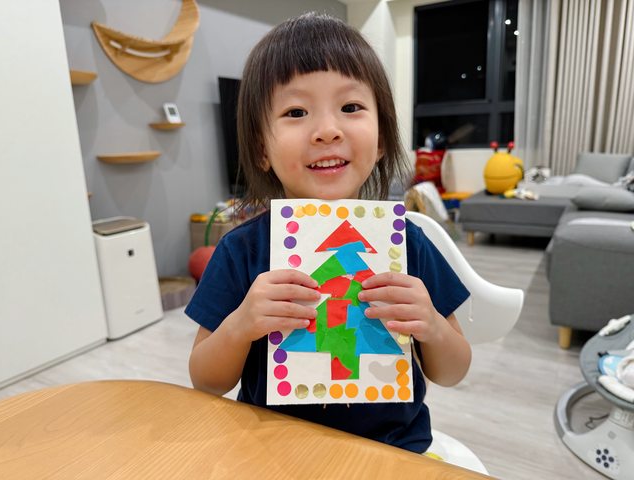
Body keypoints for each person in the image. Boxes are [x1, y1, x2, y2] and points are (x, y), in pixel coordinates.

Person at [186, 12, 471, 454]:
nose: (327, 131)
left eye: (350, 107)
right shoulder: (242, 250)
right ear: (261, 148)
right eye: (296, 112)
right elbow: (205, 381)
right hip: (272, 447)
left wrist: (431, 325)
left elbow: (453, 371)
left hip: (392, 448)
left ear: (381, 139)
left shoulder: (407, 243)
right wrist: (241, 325)